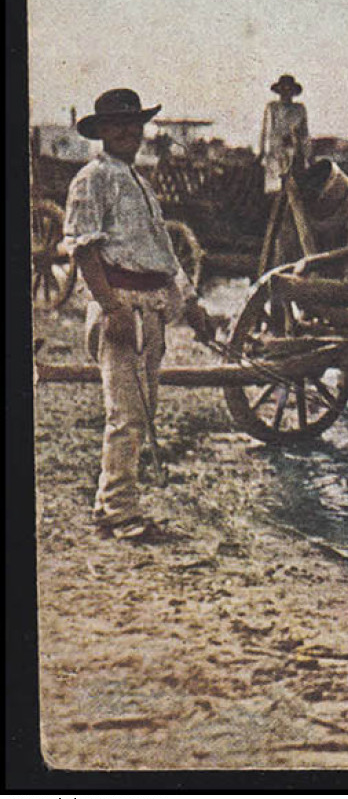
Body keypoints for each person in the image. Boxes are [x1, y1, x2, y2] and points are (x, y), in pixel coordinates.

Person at [61, 88, 217, 541]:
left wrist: (191, 305)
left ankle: (111, 504)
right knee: (125, 414)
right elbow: (84, 250)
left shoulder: (139, 182)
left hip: (151, 309)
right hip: (120, 305)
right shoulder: (91, 178)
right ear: (102, 132)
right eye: (119, 125)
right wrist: (111, 307)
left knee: (142, 410)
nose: (130, 131)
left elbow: (163, 254)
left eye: (136, 123)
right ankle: (117, 512)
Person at [259, 73, 310, 194]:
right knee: (276, 188)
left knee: (298, 188)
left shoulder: (299, 109)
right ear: (279, 91)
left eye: (289, 90)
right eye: (284, 89)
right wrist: (263, 152)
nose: (286, 93)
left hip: (294, 152)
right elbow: (266, 132)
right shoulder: (272, 108)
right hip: (276, 152)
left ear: (293, 92)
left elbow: (305, 134)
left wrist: (307, 154)